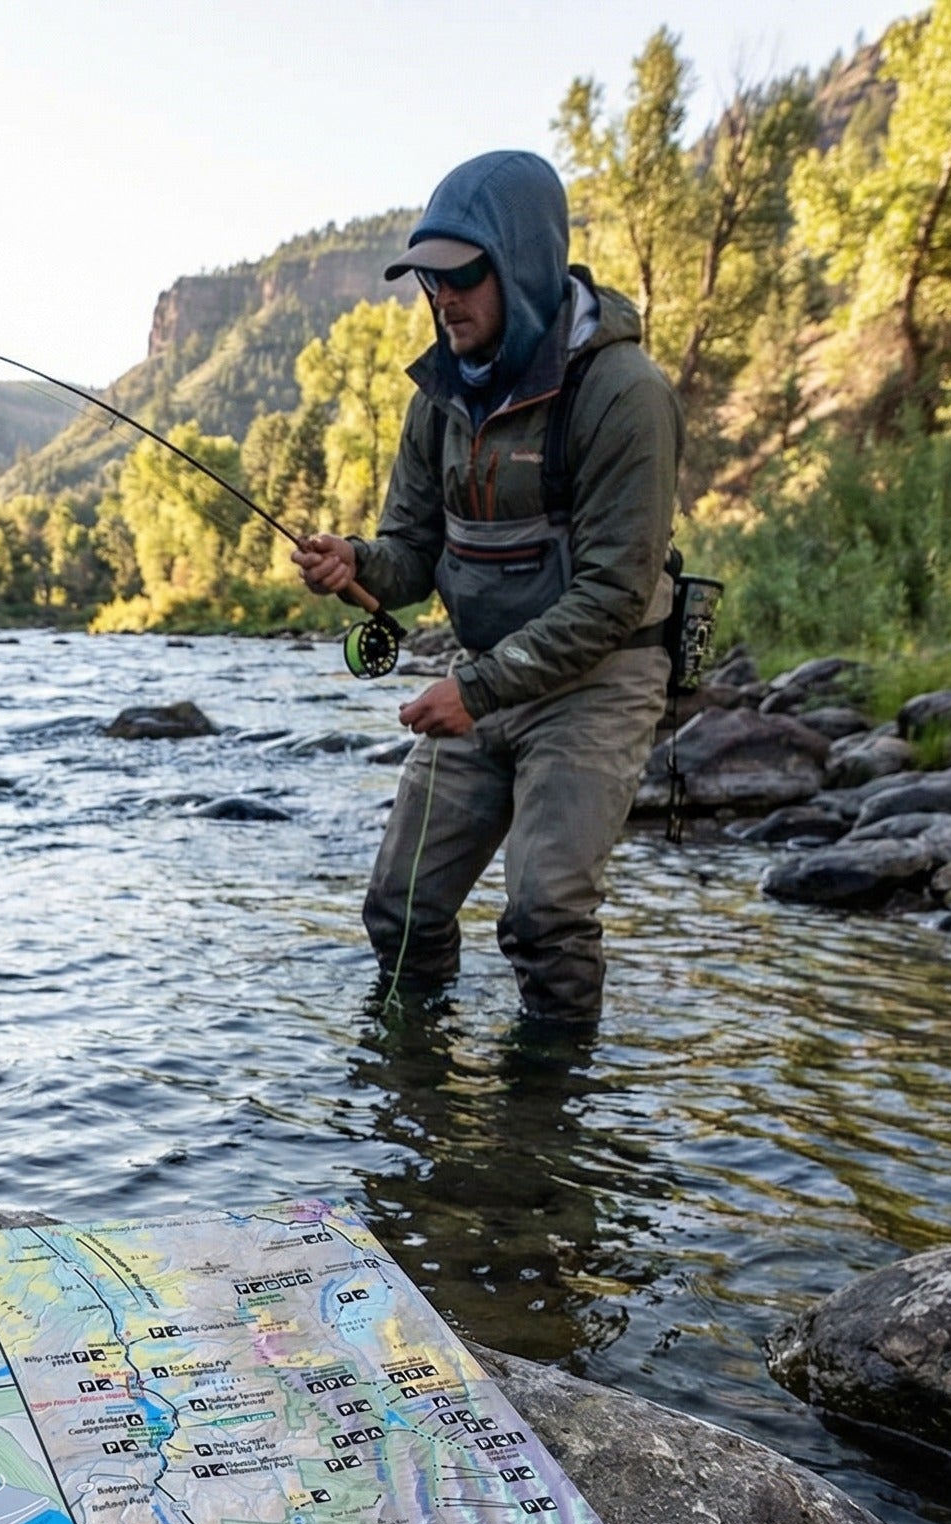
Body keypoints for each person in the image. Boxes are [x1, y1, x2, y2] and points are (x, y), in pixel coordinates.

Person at [293, 150, 682, 1024]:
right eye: (427, 281)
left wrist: (474, 688)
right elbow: (410, 551)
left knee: (543, 915)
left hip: (601, 677)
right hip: (483, 676)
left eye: (462, 276)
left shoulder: (625, 394)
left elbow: (615, 596)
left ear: (523, 262)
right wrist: (357, 565)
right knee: (399, 909)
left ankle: (546, 1123)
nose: (443, 299)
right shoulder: (437, 395)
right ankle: (414, 1094)